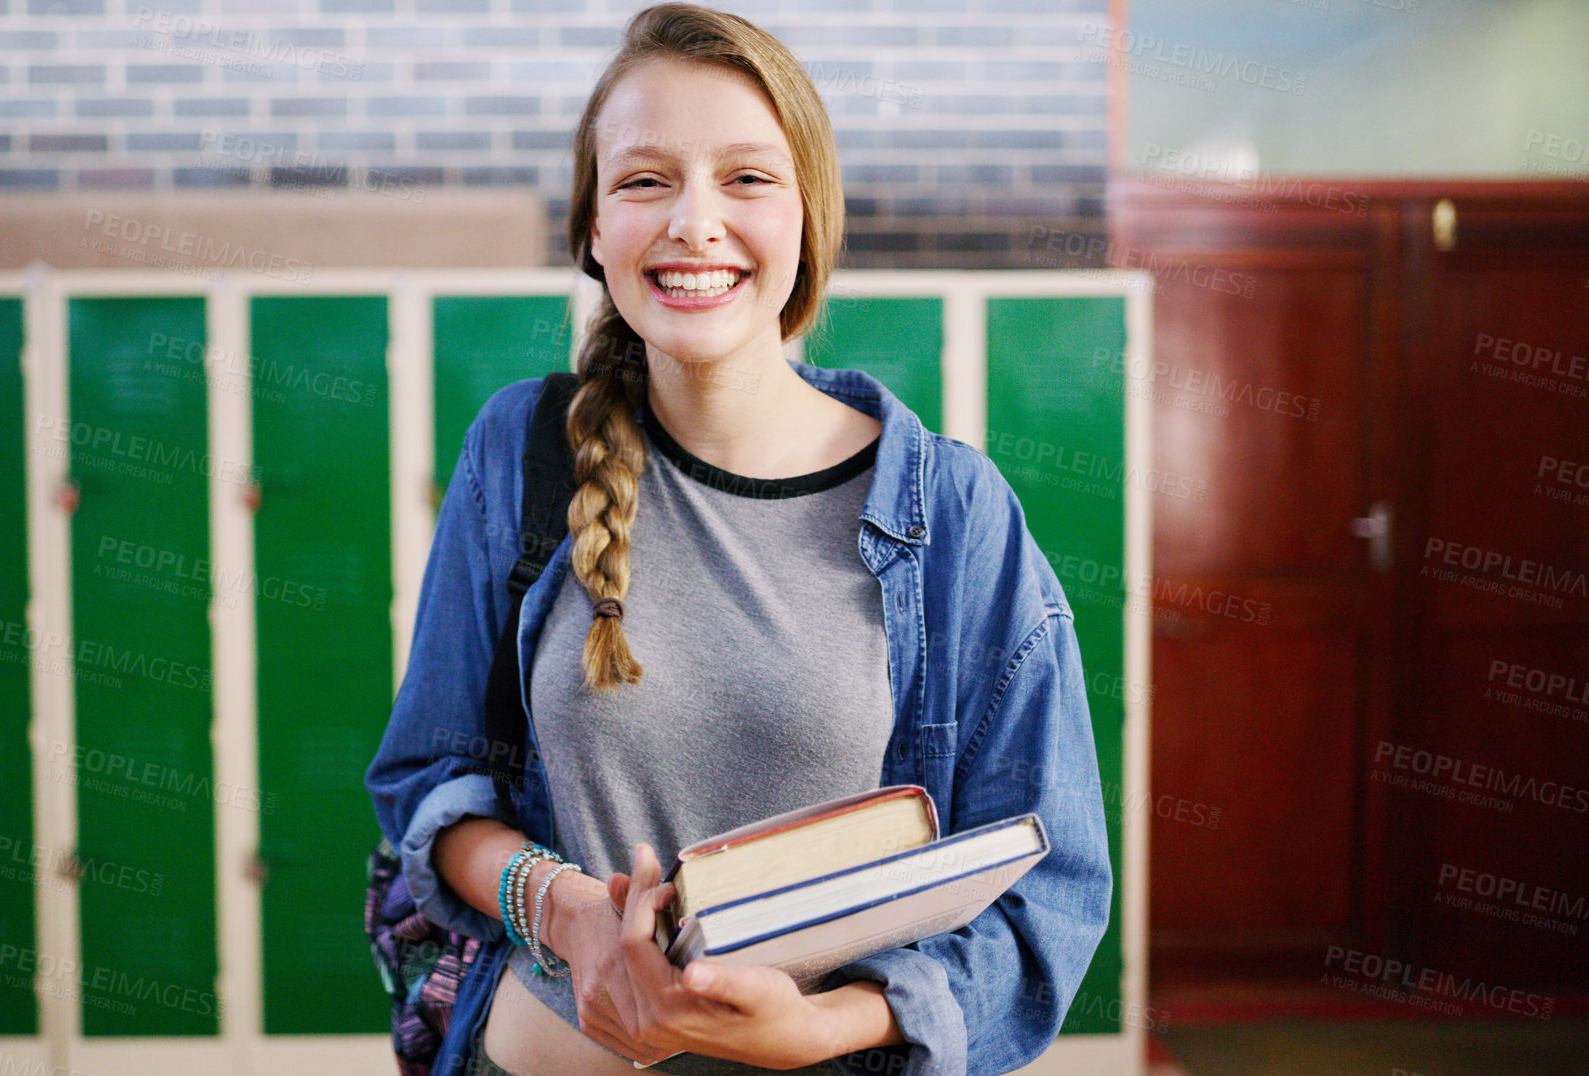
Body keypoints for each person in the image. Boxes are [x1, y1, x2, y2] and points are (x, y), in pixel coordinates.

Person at [364, 4, 1113, 1075]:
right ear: (591, 227)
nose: (693, 223)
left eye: (748, 178)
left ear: (811, 215)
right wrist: (564, 907)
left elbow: (1050, 886)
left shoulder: (953, 515)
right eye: (643, 180)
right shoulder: (523, 453)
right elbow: (430, 780)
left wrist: (823, 1023)